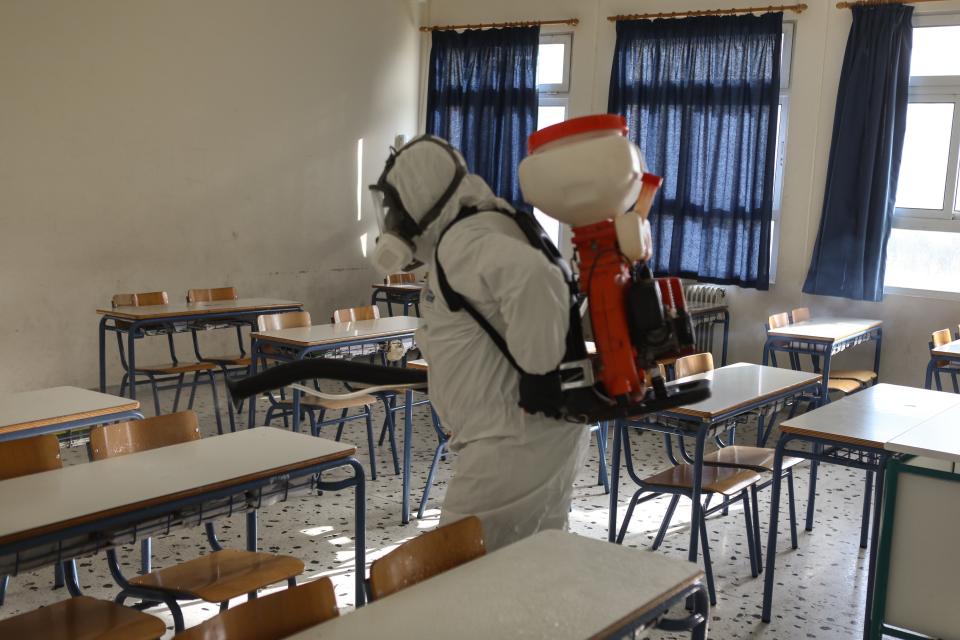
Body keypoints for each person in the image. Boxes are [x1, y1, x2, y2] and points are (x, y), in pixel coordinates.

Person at [369, 135, 588, 551]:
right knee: (527, 564)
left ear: (419, 197)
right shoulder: (487, 223)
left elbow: (536, 277)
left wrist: (539, 372)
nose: (394, 222)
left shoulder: (463, 241)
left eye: (396, 208)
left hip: (511, 444)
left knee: (458, 570)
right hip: (529, 437)